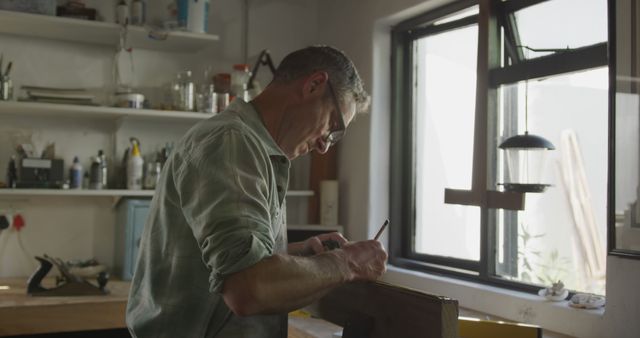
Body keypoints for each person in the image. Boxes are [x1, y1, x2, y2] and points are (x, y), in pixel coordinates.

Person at [126, 46, 388, 337]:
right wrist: (347, 263)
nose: (325, 145)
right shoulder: (232, 143)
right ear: (313, 85)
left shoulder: (259, 152)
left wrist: (297, 255)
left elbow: (224, 266)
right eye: (333, 126)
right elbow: (248, 289)